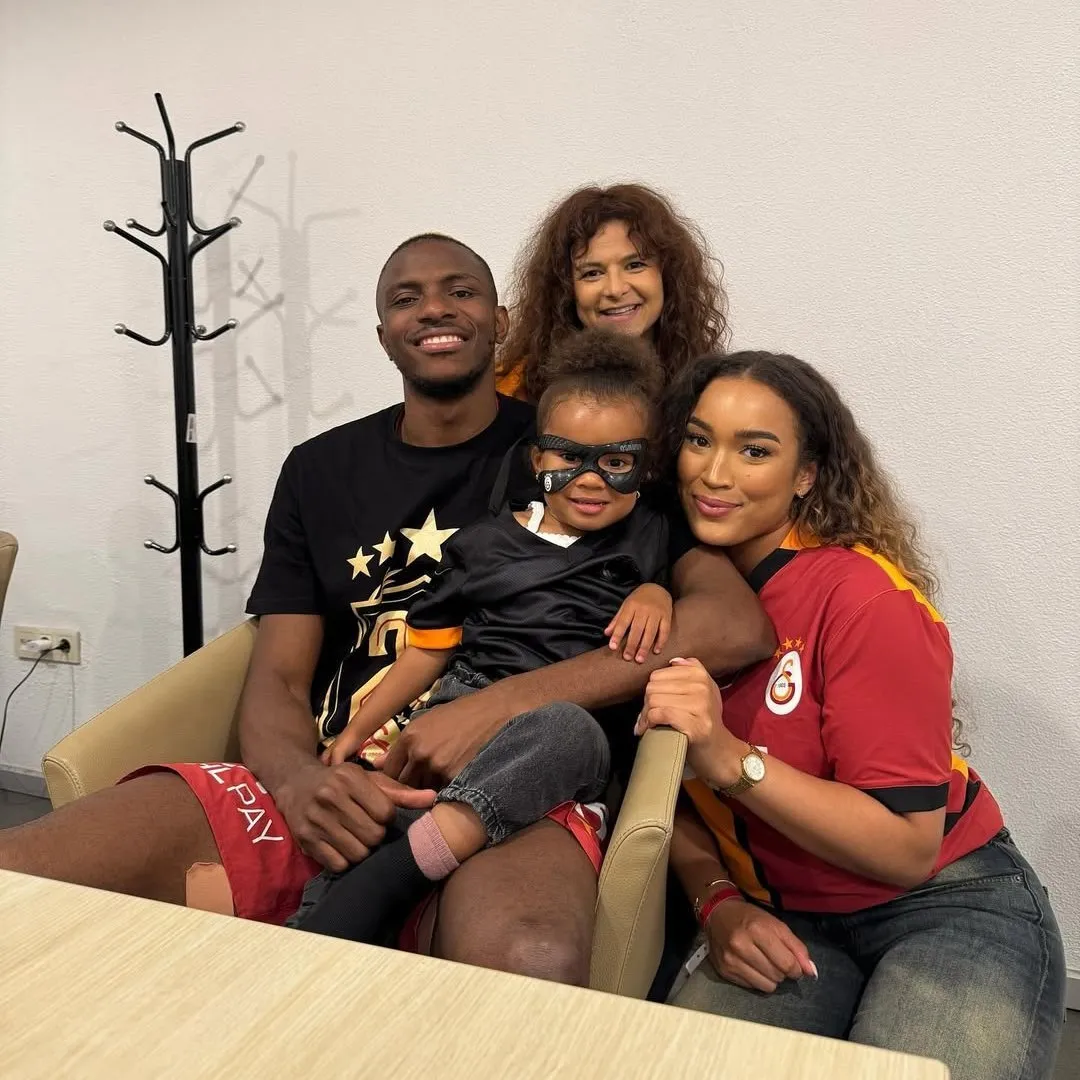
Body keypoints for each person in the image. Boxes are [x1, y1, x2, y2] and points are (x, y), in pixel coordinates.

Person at [0, 234, 775, 987]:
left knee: (526, 961)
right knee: (22, 871)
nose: (434, 309)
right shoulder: (319, 470)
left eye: (460, 291)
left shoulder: (580, 434)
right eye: (407, 298)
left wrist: (499, 706)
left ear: (501, 322)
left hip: (523, 787)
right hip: (347, 773)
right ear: (383, 335)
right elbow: (277, 674)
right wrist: (302, 783)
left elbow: (733, 625)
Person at [634, 351, 1065, 1079]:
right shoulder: (660, 589)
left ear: (806, 475)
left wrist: (732, 759)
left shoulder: (865, 598)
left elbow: (906, 848)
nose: (714, 473)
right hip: (786, 915)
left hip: (946, 901)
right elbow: (654, 789)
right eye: (700, 440)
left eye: (755, 451)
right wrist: (718, 903)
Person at [290, 329, 674, 944]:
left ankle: (405, 869)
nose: (590, 479)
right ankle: (318, 924)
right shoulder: (484, 543)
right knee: (385, 793)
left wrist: (657, 591)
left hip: (566, 727)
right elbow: (429, 649)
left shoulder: (649, 536)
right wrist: (357, 731)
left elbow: (696, 608)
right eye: (568, 457)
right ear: (537, 460)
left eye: (616, 462)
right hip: (465, 701)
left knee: (571, 728)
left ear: (644, 467)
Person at [496, 182, 728, 402]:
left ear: (668, 275)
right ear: (564, 291)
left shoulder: (713, 388)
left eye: (635, 265)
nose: (615, 289)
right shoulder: (517, 393)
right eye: (592, 273)